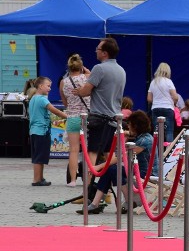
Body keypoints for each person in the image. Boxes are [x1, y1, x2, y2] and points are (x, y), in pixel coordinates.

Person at [77, 111, 157, 214]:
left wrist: (98, 167)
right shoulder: (143, 137)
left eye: (129, 124)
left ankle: (129, 200)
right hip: (138, 171)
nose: (128, 127)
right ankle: (95, 204)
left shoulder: (144, 141)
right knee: (110, 170)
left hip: (146, 174)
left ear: (136, 126)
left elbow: (123, 157)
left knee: (113, 169)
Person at [72, 38, 126, 170]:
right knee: (108, 153)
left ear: (105, 53)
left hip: (100, 117)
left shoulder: (99, 68)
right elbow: (106, 90)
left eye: (98, 49)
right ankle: (112, 183)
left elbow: (85, 91)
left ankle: (88, 188)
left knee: (93, 152)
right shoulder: (121, 70)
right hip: (114, 117)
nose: (96, 51)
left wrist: (78, 90)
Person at [28, 77, 68, 186]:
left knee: (39, 156)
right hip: (41, 131)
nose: (50, 89)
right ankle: (36, 179)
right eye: (48, 86)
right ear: (40, 86)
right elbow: (55, 111)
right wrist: (68, 117)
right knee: (39, 157)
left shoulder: (33, 98)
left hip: (35, 131)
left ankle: (40, 178)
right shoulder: (42, 99)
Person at [59, 54, 91, 187]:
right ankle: (88, 180)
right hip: (88, 117)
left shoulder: (63, 82)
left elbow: (65, 103)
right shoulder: (87, 77)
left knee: (73, 150)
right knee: (89, 150)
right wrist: (86, 70)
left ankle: (72, 180)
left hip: (72, 117)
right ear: (81, 66)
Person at [147, 62, 179, 142]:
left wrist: (157, 101)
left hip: (155, 108)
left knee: (156, 132)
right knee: (169, 132)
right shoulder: (169, 82)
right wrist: (174, 102)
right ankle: (168, 152)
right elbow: (175, 97)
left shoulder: (153, 82)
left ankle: (157, 152)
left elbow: (149, 99)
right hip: (168, 108)